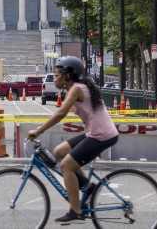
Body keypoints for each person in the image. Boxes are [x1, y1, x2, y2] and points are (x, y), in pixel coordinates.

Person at [28, 56, 118, 224]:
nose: (54, 78)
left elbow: (60, 114)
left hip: (102, 136)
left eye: (57, 75)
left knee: (66, 166)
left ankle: (75, 210)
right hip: (95, 133)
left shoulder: (77, 88)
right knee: (59, 152)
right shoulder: (76, 88)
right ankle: (87, 186)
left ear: (68, 75)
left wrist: (39, 131)